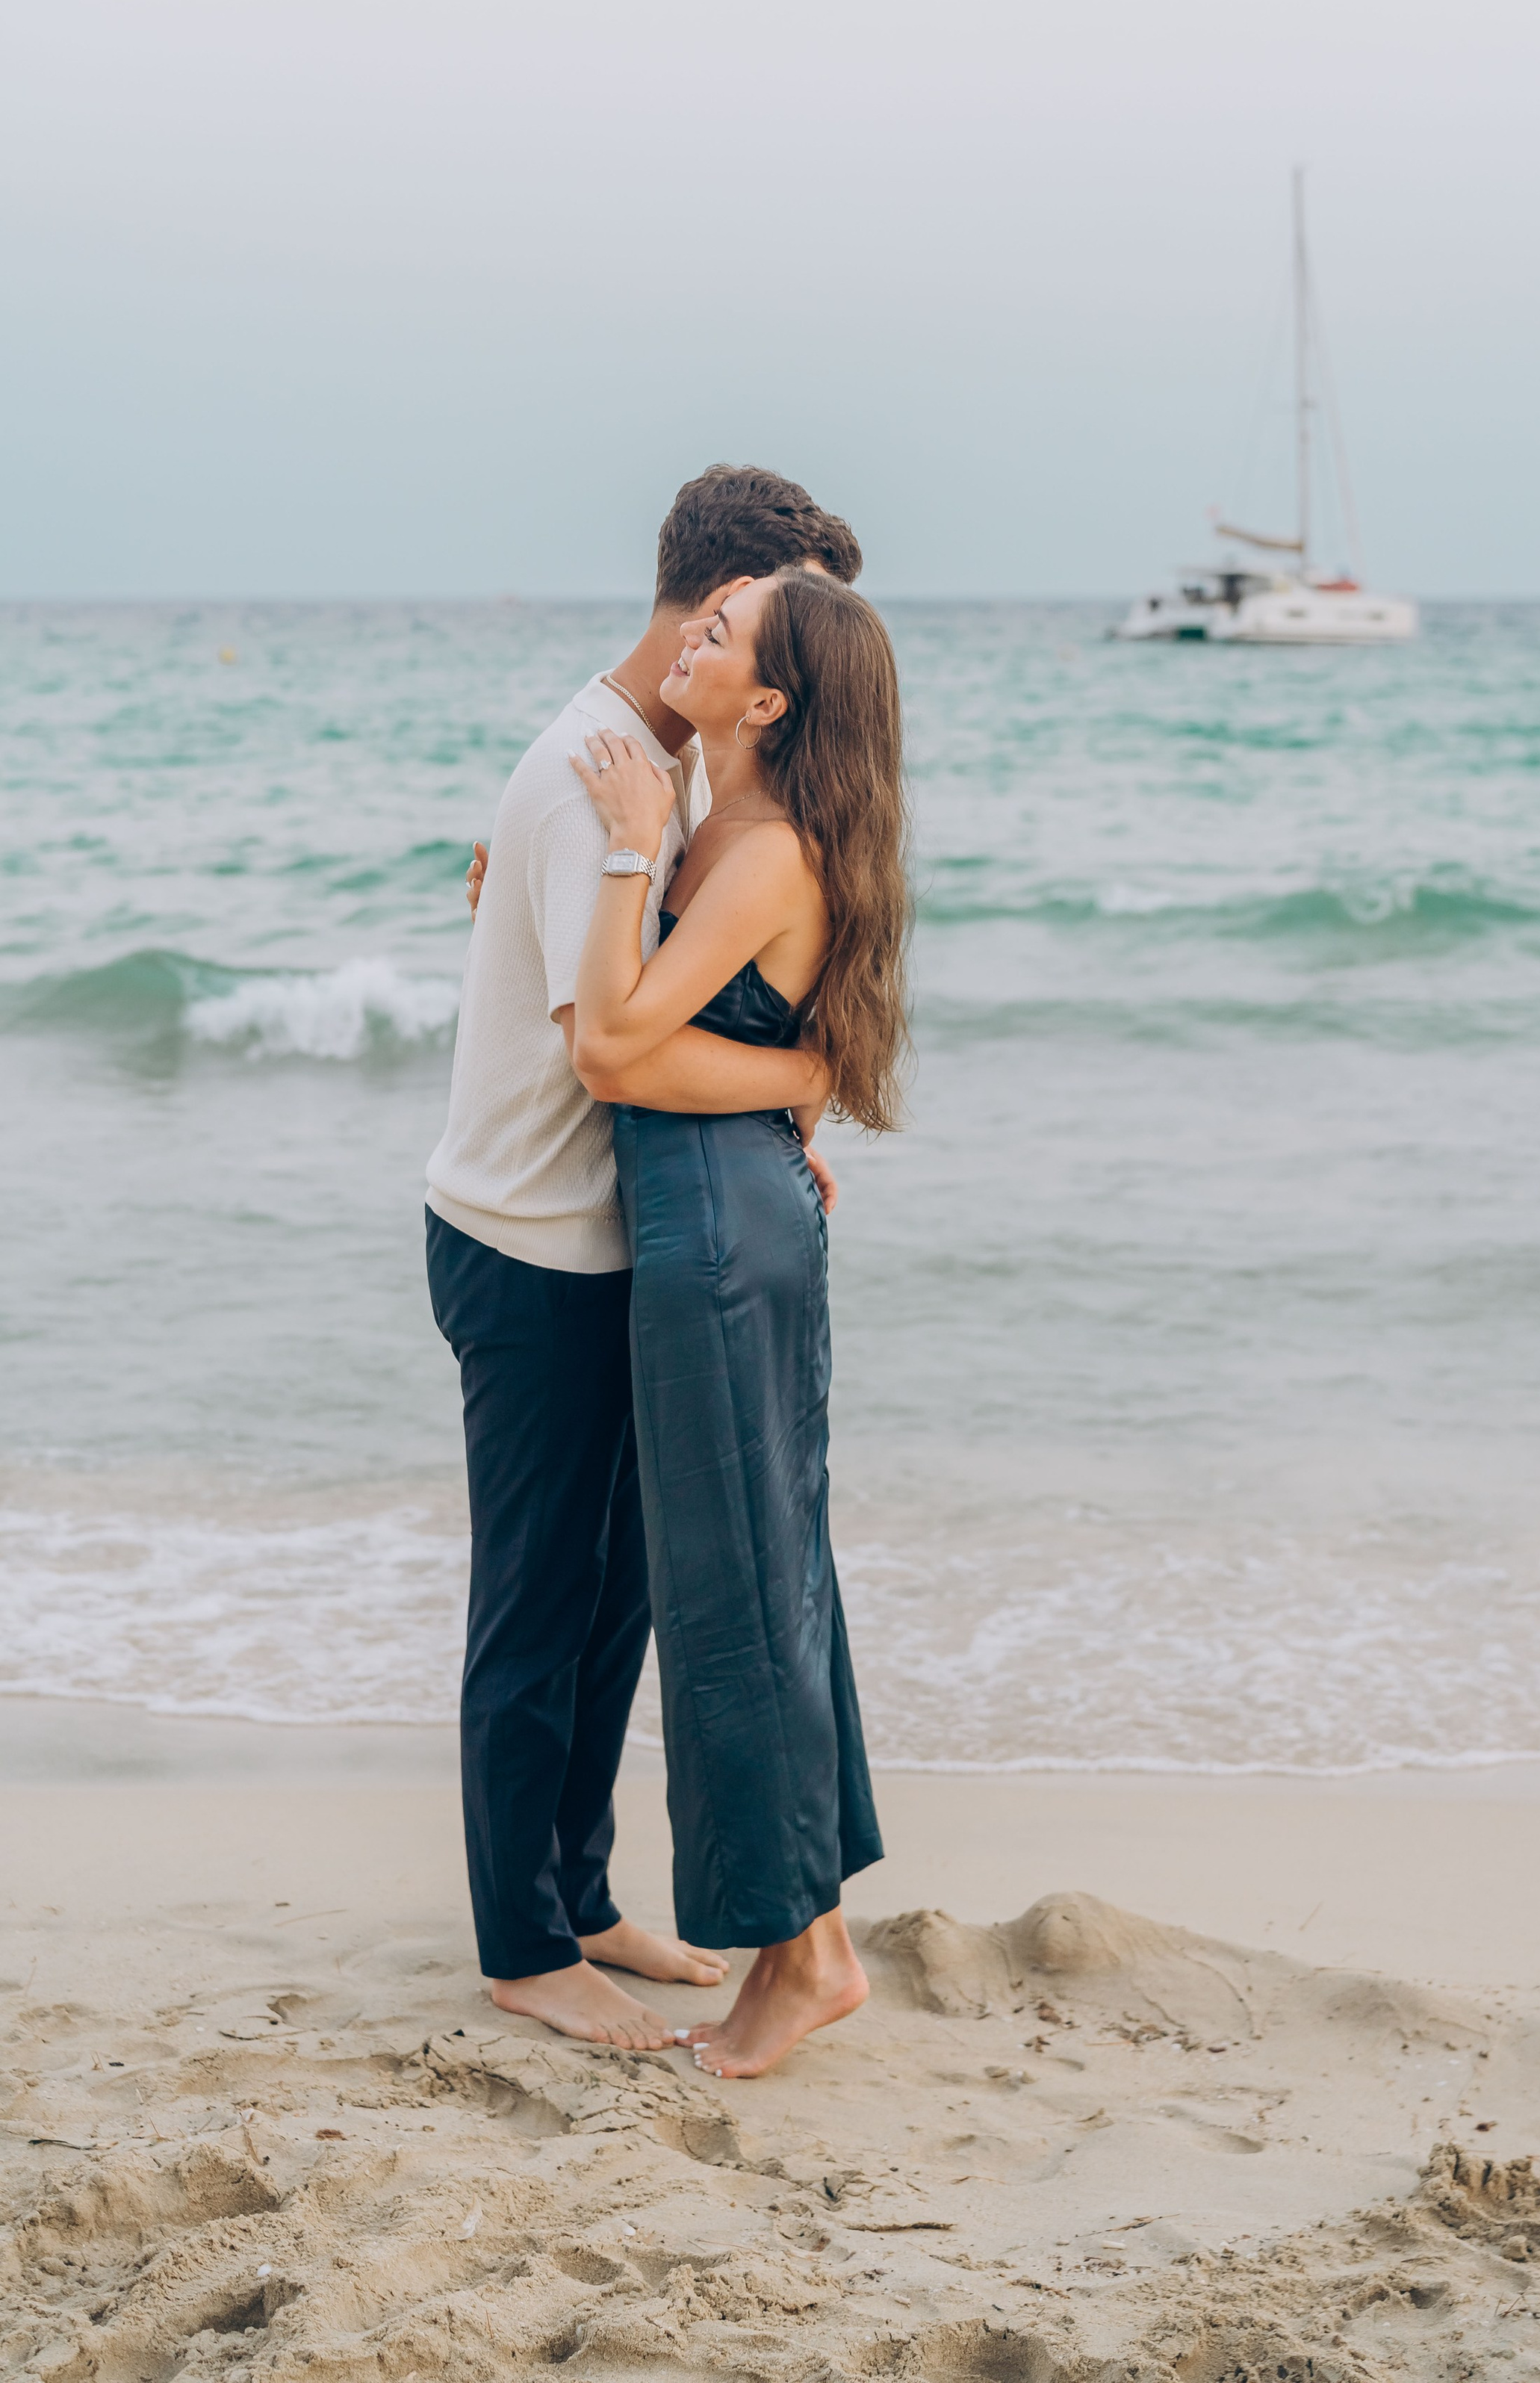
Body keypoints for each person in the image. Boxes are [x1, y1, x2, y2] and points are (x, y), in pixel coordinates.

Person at [425, 465, 861, 2053]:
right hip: (528, 1243)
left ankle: (586, 1893)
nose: (803, 650)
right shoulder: (587, 774)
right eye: (785, 612)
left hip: (614, 1244)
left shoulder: (675, 770)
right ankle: (520, 1944)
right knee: (536, 1606)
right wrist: (797, 1084)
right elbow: (610, 1051)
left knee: (617, 1602)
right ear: (716, 608)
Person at [564, 563, 909, 2076]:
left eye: (722, 634)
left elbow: (617, 1049)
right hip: (719, 1213)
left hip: (718, 1238)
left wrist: (630, 861)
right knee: (759, 1575)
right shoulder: (728, 816)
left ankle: (801, 1957)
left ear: (768, 701)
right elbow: (690, 1036)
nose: (686, 637)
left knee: (734, 1598)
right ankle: (809, 1934)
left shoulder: (755, 848)